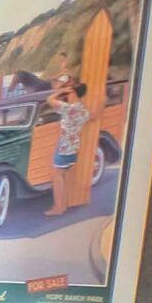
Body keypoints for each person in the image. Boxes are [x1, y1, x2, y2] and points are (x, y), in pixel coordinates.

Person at [50, 78, 94, 213]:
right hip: (73, 146)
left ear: (73, 92)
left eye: (70, 91)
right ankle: (62, 205)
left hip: (64, 145)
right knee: (62, 176)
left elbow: (49, 100)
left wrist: (61, 91)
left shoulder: (69, 109)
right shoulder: (83, 110)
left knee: (57, 176)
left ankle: (59, 207)